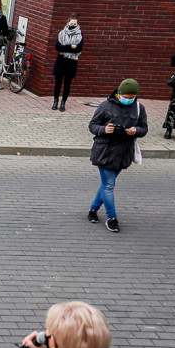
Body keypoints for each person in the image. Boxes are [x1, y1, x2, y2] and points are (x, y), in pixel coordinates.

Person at [87, 79, 147, 232]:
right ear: (119, 94)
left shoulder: (139, 108)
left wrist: (136, 131)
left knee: (107, 184)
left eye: (132, 97)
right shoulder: (105, 106)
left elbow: (144, 128)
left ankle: (93, 210)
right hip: (105, 151)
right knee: (109, 185)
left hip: (124, 153)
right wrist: (104, 130)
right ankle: (112, 218)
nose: (129, 99)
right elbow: (92, 125)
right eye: (126, 96)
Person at [52, 14, 83, 111]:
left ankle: (63, 102)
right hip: (61, 60)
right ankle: (55, 101)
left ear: (77, 25)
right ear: (67, 23)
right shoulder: (61, 33)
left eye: (74, 24)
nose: (72, 25)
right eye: (71, 23)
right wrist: (71, 46)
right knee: (58, 82)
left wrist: (66, 47)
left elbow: (78, 49)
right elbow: (58, 47)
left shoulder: (80, 35)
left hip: (71, 62)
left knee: (67, 84)